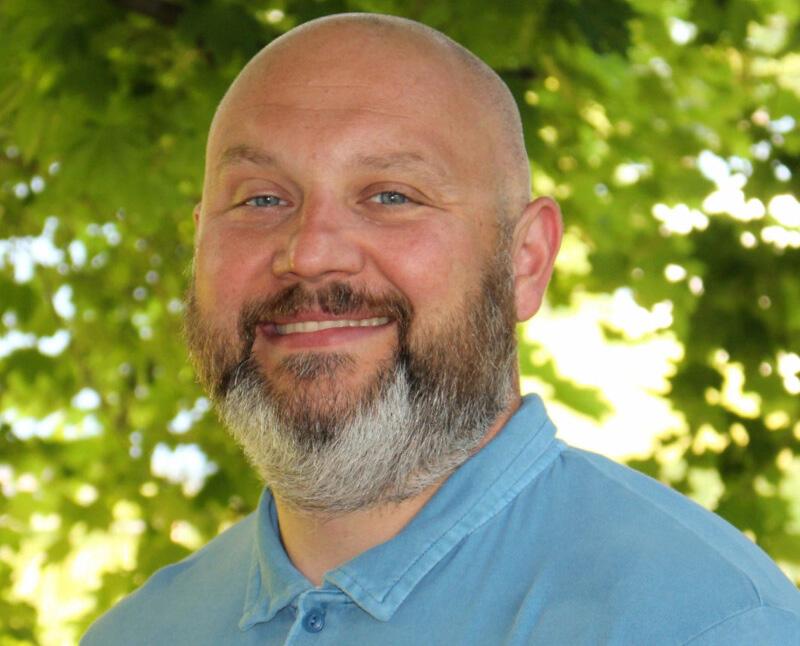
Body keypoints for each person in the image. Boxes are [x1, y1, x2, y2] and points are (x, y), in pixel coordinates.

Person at [82, 13, 800, 645]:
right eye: (261, 199)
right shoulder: (137, 634)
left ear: (525, 260)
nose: (310, 252)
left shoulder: (705, 624)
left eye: (392, 195)